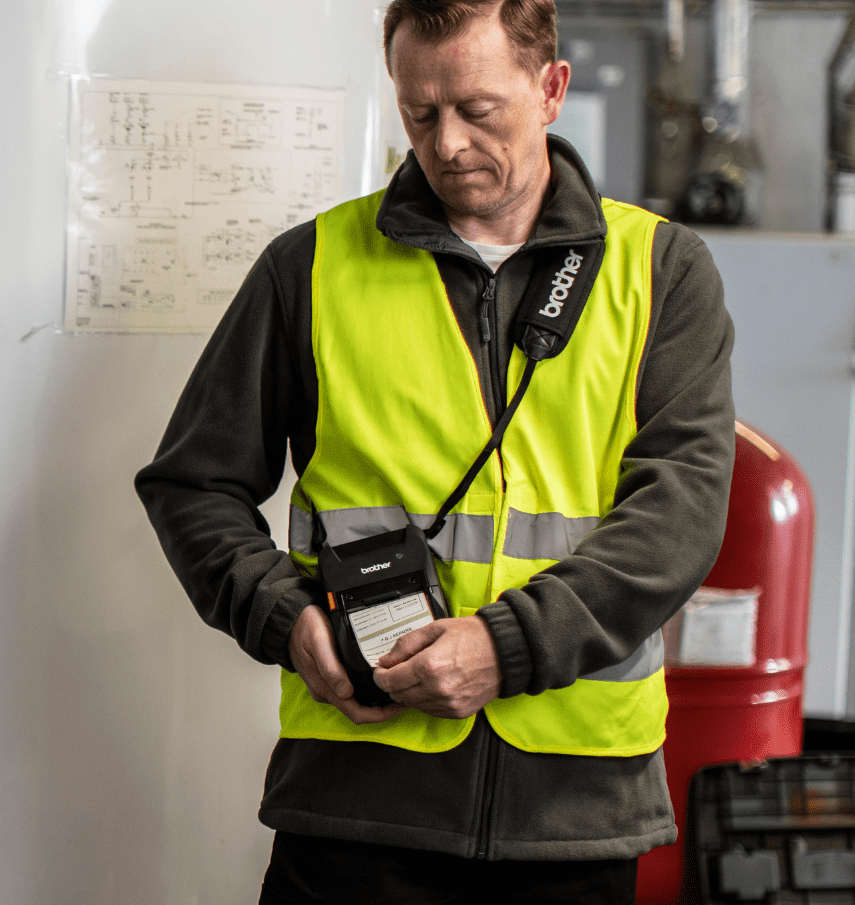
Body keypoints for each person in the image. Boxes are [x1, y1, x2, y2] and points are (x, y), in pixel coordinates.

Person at [133, 0, 736, 902]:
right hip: (353, 808)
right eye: (420, 113)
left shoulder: (661, 271)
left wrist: (507, 647)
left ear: (551, 89)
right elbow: (191, 484)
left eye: (477, 109)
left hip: (571, 819)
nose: (446, 143)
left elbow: (680, 514)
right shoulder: (309, 267)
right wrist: (285, 619)